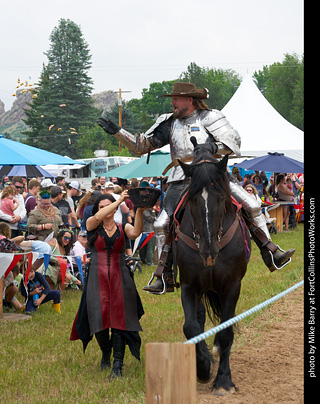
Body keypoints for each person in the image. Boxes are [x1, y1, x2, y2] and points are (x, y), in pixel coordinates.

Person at [98, 82, 295, 293]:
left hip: (212, 174)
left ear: (190, 100)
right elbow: (142, 146)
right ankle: (164, 275)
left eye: (176, 99)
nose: (172, 102)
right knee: (161, 224)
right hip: (180, 178)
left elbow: (234, 142)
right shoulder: (168, 122)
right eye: (172, 99)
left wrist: (214, 147)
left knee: (252, 205)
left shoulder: (211, 117)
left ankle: (271, 252)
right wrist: (118, 132)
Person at [70, 192, 147, 378]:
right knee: (99, 321)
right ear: (97, 209)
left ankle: (118, 365)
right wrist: (118, 201)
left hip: (121, 277)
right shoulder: (91, 225)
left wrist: (140, 211)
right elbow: (97, 217)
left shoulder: (122, 227)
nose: (105, 209)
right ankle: (106, 352)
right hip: (97, 278)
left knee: (120, 322)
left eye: (108, 206)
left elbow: (136, 232)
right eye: (101, 206)